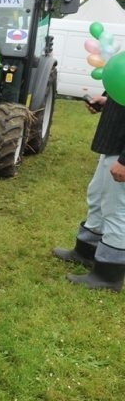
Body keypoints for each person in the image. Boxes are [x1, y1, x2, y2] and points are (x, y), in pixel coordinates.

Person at [52, 93, 125, 291]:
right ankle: (86, 252)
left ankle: (109, 276)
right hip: (114, 144)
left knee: (116, 210)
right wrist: (107, 100)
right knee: (97, 196)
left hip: (122, 152)